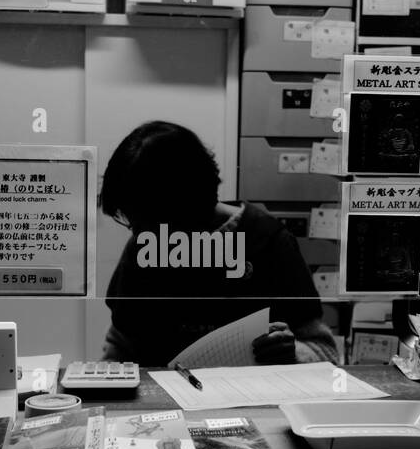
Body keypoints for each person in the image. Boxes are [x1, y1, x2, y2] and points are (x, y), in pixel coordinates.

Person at [100, 121, 339, 367]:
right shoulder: (144, 244)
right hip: (163, 400)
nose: (144, 238)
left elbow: (326, 352)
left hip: (251, 400)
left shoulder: (269, 243)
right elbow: (120, 344)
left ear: (190, 208)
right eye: (135, 226)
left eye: (152, 226)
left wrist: (294, 353)